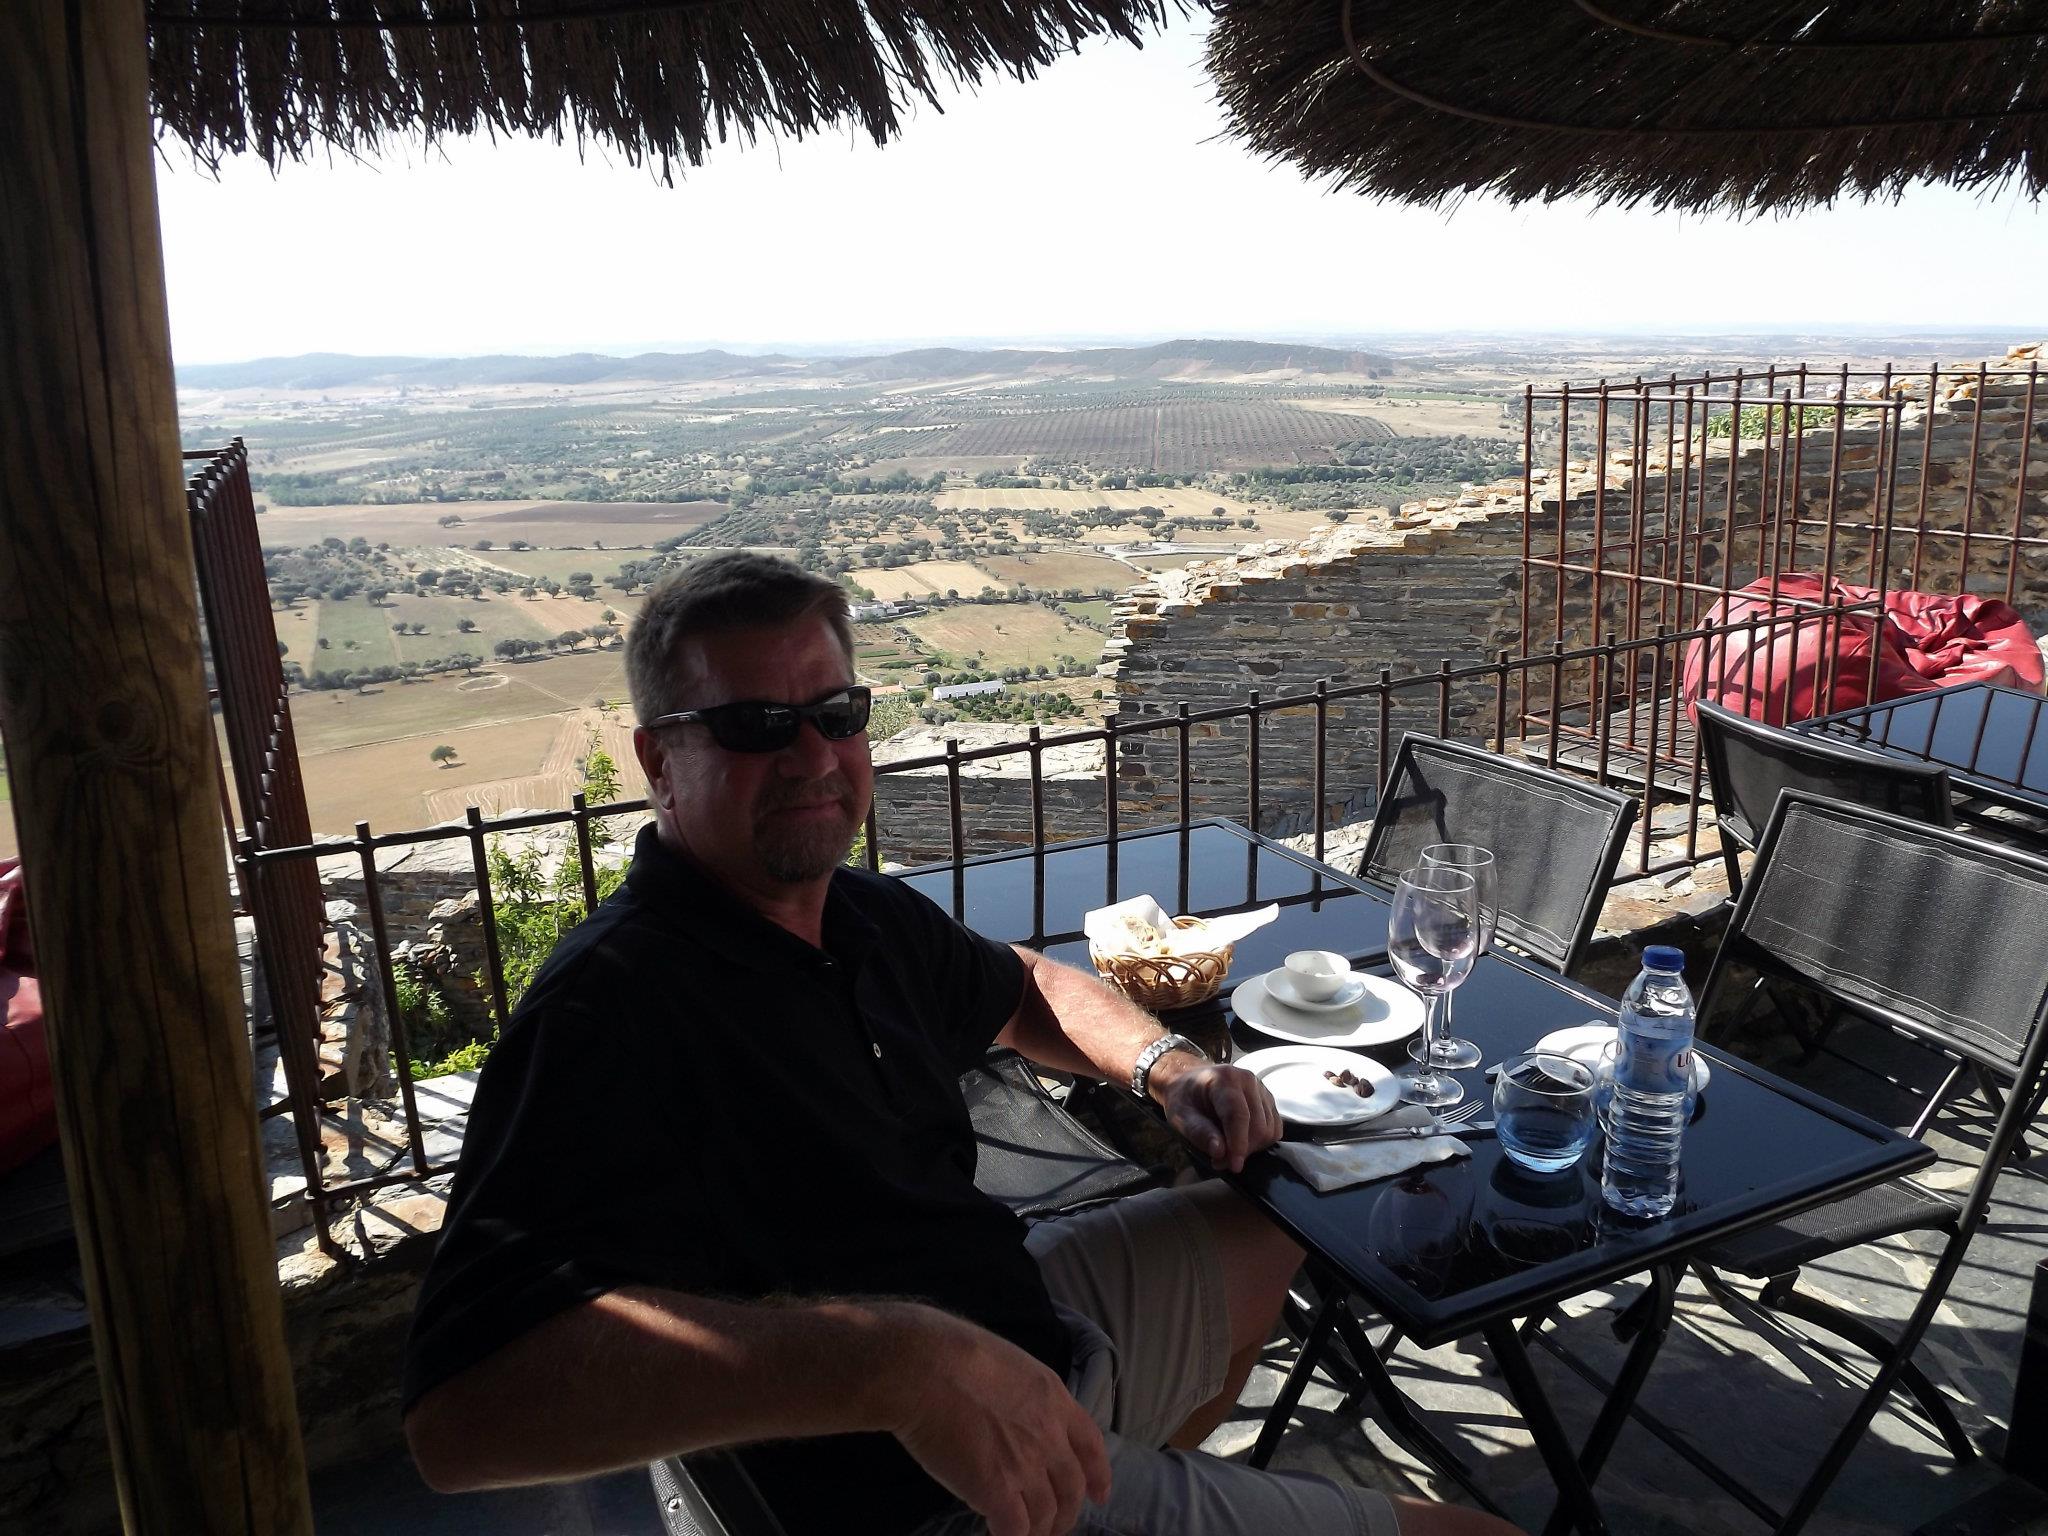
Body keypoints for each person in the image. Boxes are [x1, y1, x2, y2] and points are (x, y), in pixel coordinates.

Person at [403, 552, 1518, 1536]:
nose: (809, 755)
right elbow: (464, 1417)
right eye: (754, 726)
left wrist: (1167, 1067)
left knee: (1260, 1236)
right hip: (903, 1483)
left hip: (1012, 1323)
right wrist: (890, 1362)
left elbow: (1027, 986)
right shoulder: (617, 1005)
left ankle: (1108, 1468)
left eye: (837, 714)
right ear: (658, 760)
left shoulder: (856, 916)